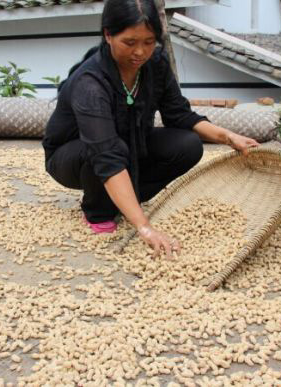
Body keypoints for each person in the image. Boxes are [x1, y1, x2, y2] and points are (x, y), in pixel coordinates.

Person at [42, 0, 259, 259]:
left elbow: (179, 114)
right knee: (110, 150)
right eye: (130, 42)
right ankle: (98, 211)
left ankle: (126, 199)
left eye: (148, 41)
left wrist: (228, 137)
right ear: (108, 35)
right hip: (73, 156)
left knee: (188, 145)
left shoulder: (155, 64)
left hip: (131, 144)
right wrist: (144, 227)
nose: (140, 52)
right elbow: (106, 155)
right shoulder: (90, 84)